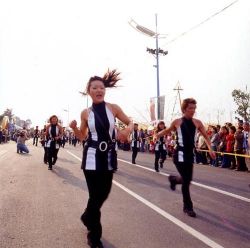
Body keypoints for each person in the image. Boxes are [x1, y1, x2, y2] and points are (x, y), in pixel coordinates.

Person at [70, 69, 133, 248]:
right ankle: (94, 236)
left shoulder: (113, 108)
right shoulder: (86, 113)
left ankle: (86, 216)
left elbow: (130, 122)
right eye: (95, 88)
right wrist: (75, 128)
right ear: (89, 91)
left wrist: (127, 130)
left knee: (103, 194)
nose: (99, 90)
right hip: (91, 156)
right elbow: (82, 137)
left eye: (101, 87)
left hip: (109, 157)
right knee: (95, 195)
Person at [156, 98, 215, 217]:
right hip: (179, 155)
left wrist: (210, 148)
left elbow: (206, 136)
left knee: (187, 179)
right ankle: (188, 207)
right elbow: (167, 131)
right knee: (187, 181)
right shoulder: (177, 122)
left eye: (194, 108)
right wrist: (157, 135)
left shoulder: (197, 122)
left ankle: (173, 179)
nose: (193, 110)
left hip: (189, 154)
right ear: (184, 109)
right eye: (190, 108)